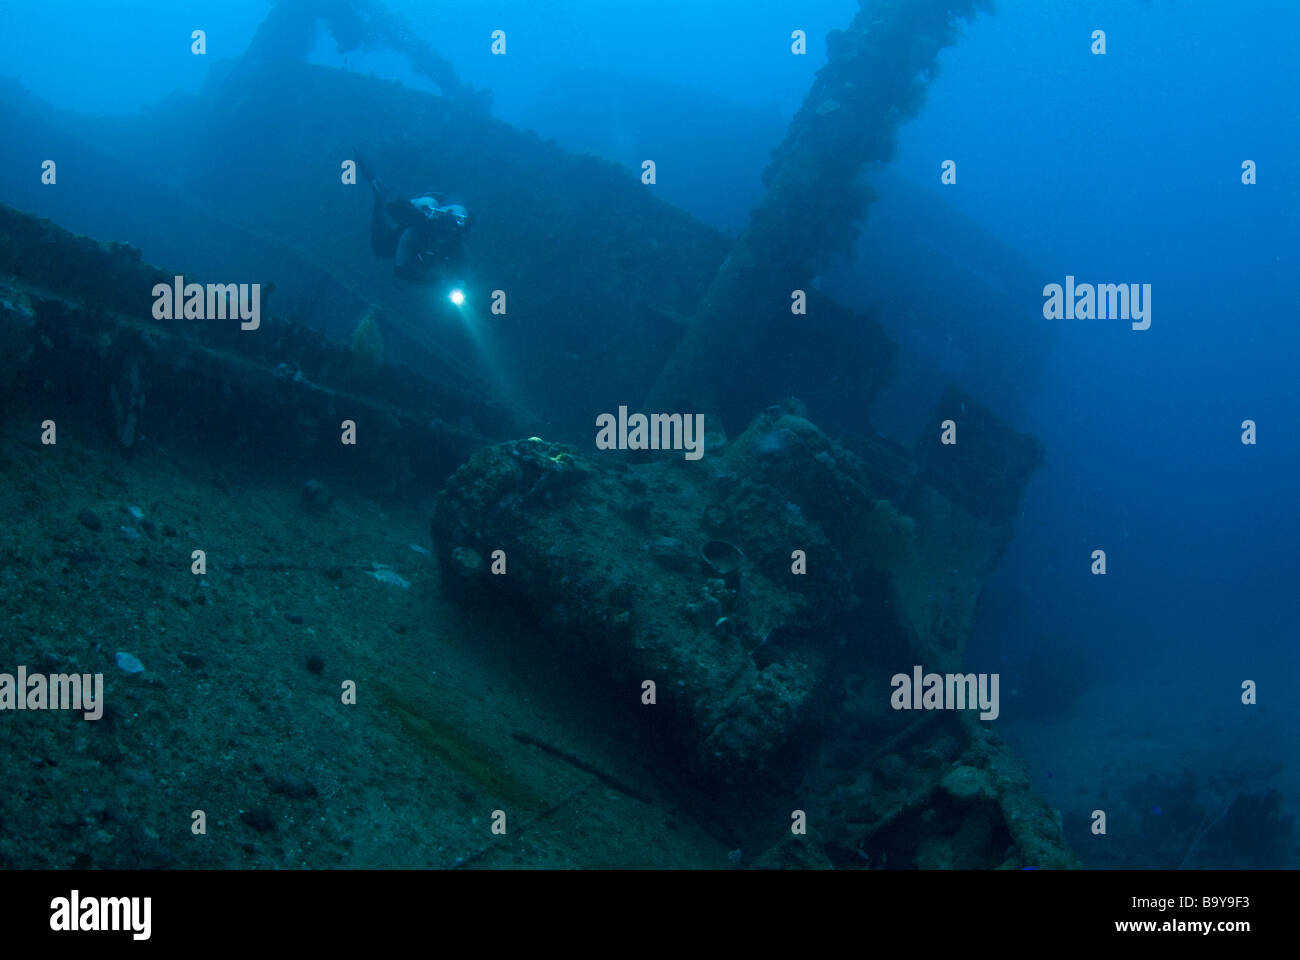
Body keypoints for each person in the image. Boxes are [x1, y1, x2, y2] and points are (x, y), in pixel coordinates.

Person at [356, 151, 472, 284]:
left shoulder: (453, 237)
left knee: (385, 248)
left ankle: (380, 195)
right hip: (414, 231)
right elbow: (403, 252)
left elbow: (464, 258)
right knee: (382, 249)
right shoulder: (421, 229)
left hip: (423, 232)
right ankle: (379, 196)